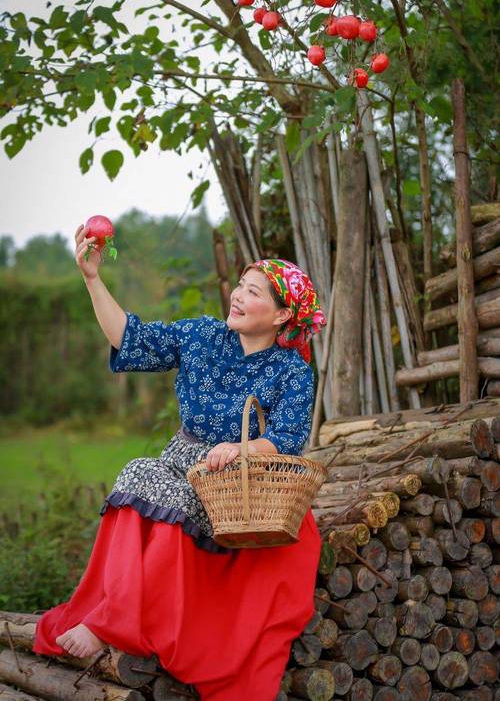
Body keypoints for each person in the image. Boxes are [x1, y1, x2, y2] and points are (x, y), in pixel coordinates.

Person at [32, 223, 327, 701]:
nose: (236, 296)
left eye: (253, 292)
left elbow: (290, 439)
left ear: (279, 317)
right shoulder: (204, 336)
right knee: (138, 472)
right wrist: (92, 278)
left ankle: (112, 624)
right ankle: (109, 611)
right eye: (240, 285)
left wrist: (240, 449)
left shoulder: (291, 369)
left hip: (235, 484)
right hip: (182, 459)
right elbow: (132, 339)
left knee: (161, 487)